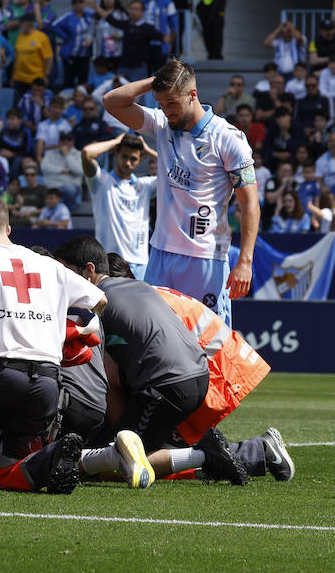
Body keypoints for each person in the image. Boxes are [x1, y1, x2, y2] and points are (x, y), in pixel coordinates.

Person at [0, 195, 107, 494]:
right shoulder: (50, 266)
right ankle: (47, 457)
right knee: (11, 472)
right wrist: (58, 327)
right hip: (47, 385)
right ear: (9, 228)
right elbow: (100, 300)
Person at [54, 235, 248, 488]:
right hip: (198, 377)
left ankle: (204, 456)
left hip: (167, 386)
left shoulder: (97, 303)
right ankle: (241, 452)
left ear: (89, 270)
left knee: (112, 463)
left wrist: (117, 433)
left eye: (65, 273)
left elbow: (110, 378)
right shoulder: (141, 286)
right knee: (122, 448)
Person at [105, 59, 259, 326]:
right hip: (161, 253)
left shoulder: (227, 138)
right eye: (161, 104)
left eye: (172, 103)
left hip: (205, 257)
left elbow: (250, 204)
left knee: (210, 344)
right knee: (154, 337)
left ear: (193, 94)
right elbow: (111, 101)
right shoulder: (162, 125)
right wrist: (158, 80)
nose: (166, 111)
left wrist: (245, 260)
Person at [81, 133, 157, 277]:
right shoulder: (101, 181)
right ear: (116, 154)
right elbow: (87, 153)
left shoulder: (145, 186)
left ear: (140, 160)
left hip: (140, 263)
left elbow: (175, 170)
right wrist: (116, 141)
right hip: (108, 262)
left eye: (133, 158)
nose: (128, 162)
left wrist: (146, 150)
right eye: (124, 156)